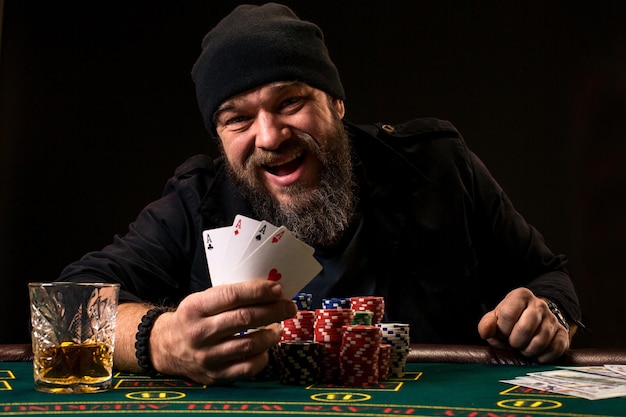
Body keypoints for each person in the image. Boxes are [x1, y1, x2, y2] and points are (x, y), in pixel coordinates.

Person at [57, 3, 583, 385]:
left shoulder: (438, 166)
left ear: (336, 102)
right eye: (238, 119)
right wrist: (159, 340)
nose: (269, 136)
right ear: (218, 135)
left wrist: (548, 315)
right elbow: (65, 310)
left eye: (289, 103)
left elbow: (548, 276)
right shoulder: (198, 201)